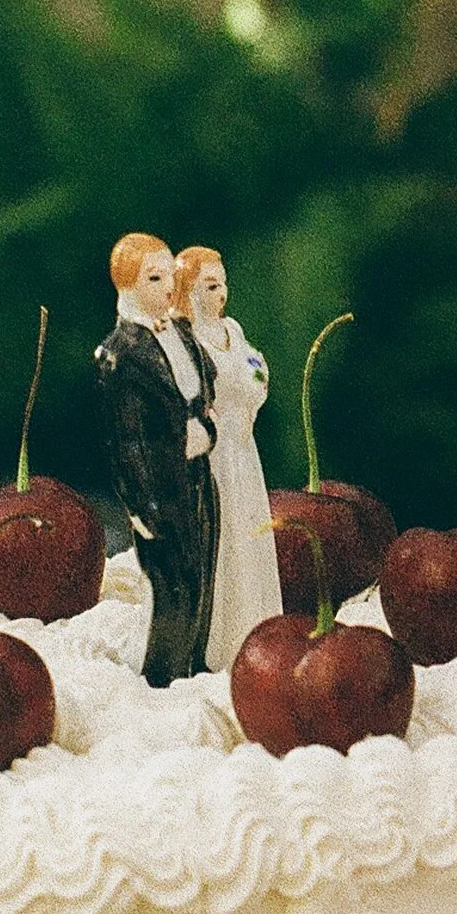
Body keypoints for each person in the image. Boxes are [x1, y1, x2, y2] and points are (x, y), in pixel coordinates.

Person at [95, 231, 218, 686]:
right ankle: (160, 677)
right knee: (170, 582)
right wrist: (140, 507)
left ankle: (194, 664)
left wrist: (205, 426)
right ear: (125, 284)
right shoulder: (120, 355)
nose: (168, 286)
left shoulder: (179, 332)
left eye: (170, 275)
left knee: (201, 569)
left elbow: (201, 386)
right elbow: (125, 442)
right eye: (153, 276)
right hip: (158, 488)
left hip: (197, 474)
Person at [176, 245, 280, 671]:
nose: (221, 294)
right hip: (211, 460)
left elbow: (257, 366)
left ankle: (255, 625)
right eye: (211, 285)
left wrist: (251, 392)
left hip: (242, 450)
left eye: (224, 284)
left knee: (249, 535)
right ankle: (216, 641)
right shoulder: (186, 341)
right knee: (220, 540)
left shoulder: (232, 330)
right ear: (188, 290)